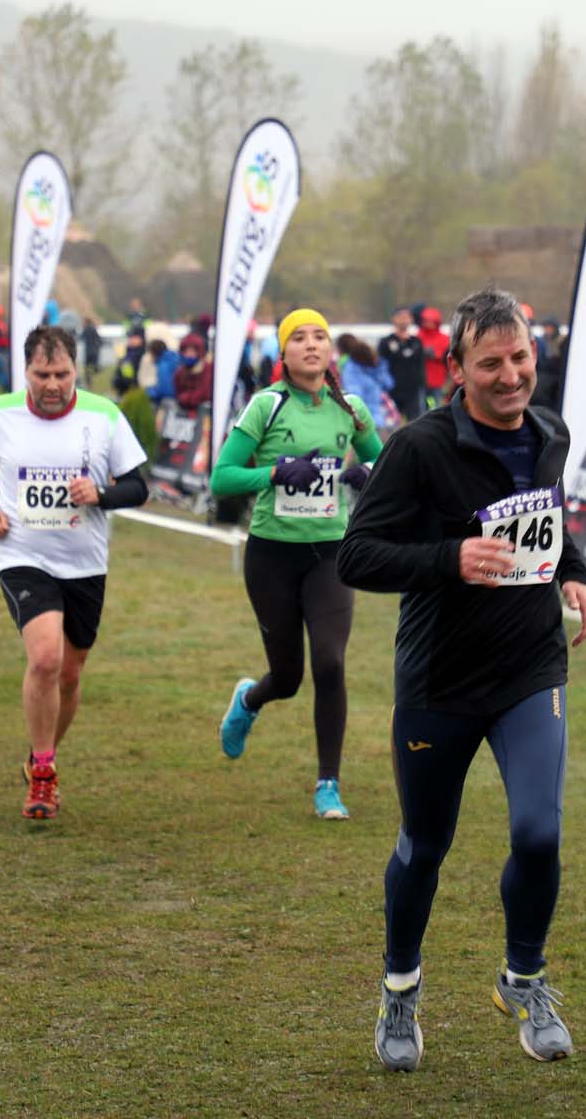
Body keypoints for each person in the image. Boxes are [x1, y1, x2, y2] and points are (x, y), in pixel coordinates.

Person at [337, 287, 586, 1071]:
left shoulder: (551, 431)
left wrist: (574, 572)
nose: (512, 375)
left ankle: (524, 978)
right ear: (457, 368)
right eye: (492, 363)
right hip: (439, 682)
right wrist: (450, 559)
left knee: (539, 832)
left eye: (520, 358)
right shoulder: (418, 448)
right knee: (425, 846)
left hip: (529, 666)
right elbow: (358, 555)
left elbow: (548, 515)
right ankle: (400, 993)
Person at [0, 325, 149, 820]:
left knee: (70, 672)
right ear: (27, 372)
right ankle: (43, 776)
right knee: (44, 658)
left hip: (85, 562)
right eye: (43, 375)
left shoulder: (104, 416)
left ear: (76, 369)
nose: (53, 384)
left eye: (62, 373)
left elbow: (139, 487)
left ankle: (43, 754)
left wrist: (100, 495)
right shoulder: (1, 415)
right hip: (23, 555)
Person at [212, 309, 383, 819]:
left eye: (320, 337)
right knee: (288, 677)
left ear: (331, 352)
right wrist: (277, 472)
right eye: (299, 338)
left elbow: (387, 464)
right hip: (272, 556)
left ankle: (328, 783)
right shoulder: (267, 406)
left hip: (331, 555)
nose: (312, 345)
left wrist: (365, 474)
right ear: (283, 354)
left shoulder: (351, 410)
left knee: (330, 663)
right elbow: (222, 477)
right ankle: (249, 700)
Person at [338, 332, 397, 429]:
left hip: (370, 421)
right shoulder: (376, 367)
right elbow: (389, 384)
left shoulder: (351, 370)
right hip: (383, 418)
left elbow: (354, 399)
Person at [378, 309, 426, 422]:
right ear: (394, 319)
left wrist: (422, 384)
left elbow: (420, 365)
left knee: (415, 422)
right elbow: (380, 365)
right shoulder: (386, 342)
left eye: (407, 317)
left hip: (412, 390)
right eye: (401, 317)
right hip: (392, 389)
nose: (404, 320)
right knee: (392, 422)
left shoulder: (416, 342)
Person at [416, 305, 449, 408]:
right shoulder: (418, 336)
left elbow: (446, 355)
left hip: (437, 378)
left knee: (434, 404)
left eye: (430, 321)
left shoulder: (444, 338)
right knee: (422, 405)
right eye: (426, 320)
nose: (428, 323)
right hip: (421, 379)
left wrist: (435, 355)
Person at [172, 333, 213, 410]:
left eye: (192, 351)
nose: (189, 355)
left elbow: (205, 393)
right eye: (186, 351)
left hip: (203, 413)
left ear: (199, 352)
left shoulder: (207, 369)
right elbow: (177, 391)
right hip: (184, 413)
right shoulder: (180, 372)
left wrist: (186, 398)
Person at [80, 311, 104, 377]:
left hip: (89, 350)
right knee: (94, 365)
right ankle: (95, 372)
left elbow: (81, 337)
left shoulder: (86, 329)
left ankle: (89, 377)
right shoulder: (93, 328)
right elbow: (98, 338)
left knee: (87, 366)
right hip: (95, 349)